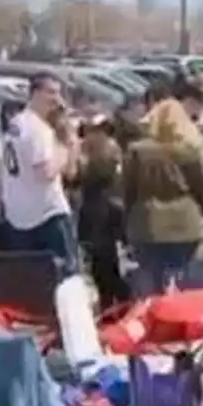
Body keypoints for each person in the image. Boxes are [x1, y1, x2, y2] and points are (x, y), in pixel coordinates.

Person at [123, 99, 203, 295]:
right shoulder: (188, 151)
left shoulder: (137, 152)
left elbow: (128, 191)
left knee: (151, 281)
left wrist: (128, 220)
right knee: (184, 280)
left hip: (146, 224)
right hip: (185, 224)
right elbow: (202, 188)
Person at [0, 73, 82, 275]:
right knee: (66, 277)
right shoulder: (37, 129)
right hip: (47, 214)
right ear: (35, 93)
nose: (57, 99)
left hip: (17, 214)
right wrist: (65, 146)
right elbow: (46, 171)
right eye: (51, 92)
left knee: (30, 280)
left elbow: (70, 173)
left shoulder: (16, 124)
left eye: (59, 93)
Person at [74, 115, 129, 309]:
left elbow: (94, 175)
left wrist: (81, 163)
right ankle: (111, 304)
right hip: (97, 210)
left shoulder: (106, 149)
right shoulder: (96, 148)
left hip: (103, 211)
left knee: (104, 265)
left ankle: (122, 301)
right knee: (101, 265)